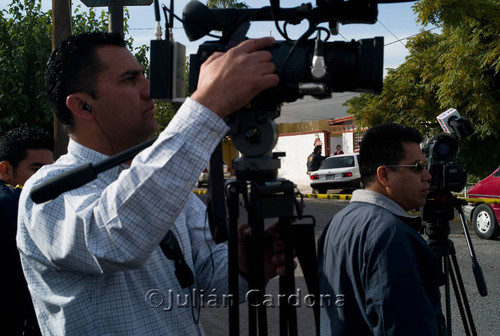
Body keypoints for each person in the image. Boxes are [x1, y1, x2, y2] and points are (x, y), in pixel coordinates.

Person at [16, 32, 283, 335]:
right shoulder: (46, 193)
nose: (149, 90)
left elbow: (208, 281)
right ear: (82, 106)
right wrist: (209, 104)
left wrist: (244, 265)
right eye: (129, 80)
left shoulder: (161, 181)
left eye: (143, 75)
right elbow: (114, 239)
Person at [317, 123, 446, 336]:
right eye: (417, 168)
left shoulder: (336, 222)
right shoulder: (389, 234)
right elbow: (401, 326)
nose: (427, 176)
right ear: (384, 175)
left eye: (426, 166)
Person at [0, 125, 53, 335]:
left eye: (51, 170)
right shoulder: (11, 205)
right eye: (37, 170)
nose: (47, 178)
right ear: (6, 171)